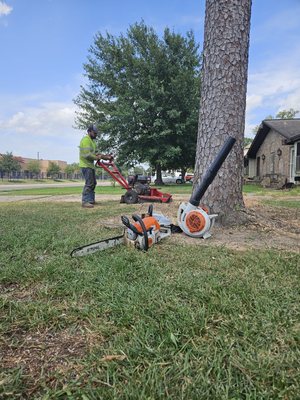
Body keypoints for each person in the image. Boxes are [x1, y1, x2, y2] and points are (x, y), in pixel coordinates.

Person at [79, 125, 112, 208]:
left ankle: (90, 200)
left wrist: (107, 157)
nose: (96, 134)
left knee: (93, 183)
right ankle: (85, 201)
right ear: (89, 131)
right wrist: (97, 157)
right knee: (89, 183)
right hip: (85, 165)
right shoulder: (86, 140)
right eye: (94, 133)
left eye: (97, 133)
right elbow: (87, 155)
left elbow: (98, 153)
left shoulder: (93, 142)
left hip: (90, 166)